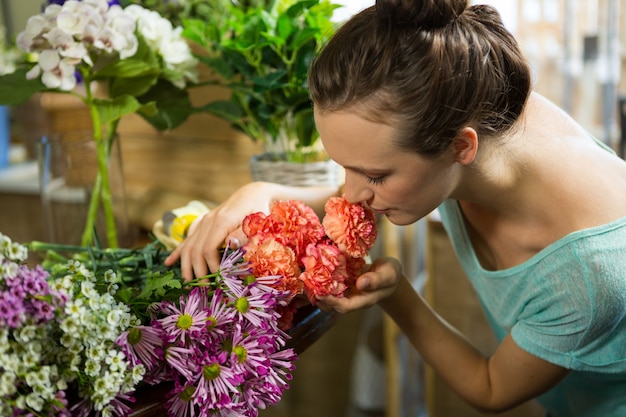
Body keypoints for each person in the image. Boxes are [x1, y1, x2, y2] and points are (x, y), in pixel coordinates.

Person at [165, 0, 626, 415]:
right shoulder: (480, 106)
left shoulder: (586, 275)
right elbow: (373, 162)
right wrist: (260, 193)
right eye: (344, 166)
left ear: (460, 147)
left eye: (376, 177)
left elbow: (491, 390)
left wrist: (397, 294)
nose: (351, 193)